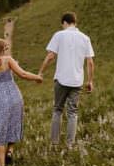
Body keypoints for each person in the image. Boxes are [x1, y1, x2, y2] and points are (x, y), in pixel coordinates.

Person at [0, 38, 42, 166]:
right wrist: (37, 77)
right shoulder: (8, 60)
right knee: (14, 124)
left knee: (0, 130)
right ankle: (10, 150)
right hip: (15, 96)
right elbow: (23, 74)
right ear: (3, 49)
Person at [38, 12, 95, 147]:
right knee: (73, 112)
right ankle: (70, 145)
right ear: (75, 22)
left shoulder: (59, 35)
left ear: (64, 22)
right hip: (77, 81)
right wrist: (90, 81)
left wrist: (40, 72)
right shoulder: (85, 38)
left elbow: (50, 56)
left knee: (57, 110)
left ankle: (54, 143)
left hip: (61, 79)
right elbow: (90, 62)